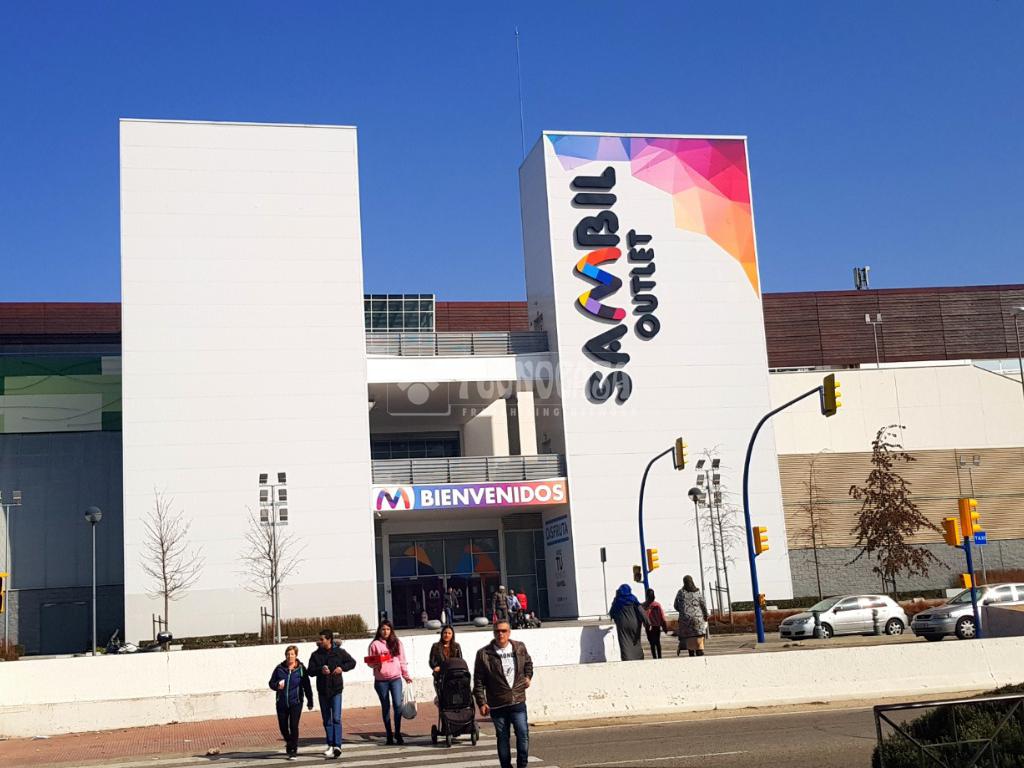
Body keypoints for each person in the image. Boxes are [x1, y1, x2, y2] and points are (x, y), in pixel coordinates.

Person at [473, 619, 534, 768]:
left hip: (517, 700)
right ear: (493, 633)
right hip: (497, 702)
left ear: (509, 632)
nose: (500, 634)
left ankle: (522, 765)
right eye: (497, 631)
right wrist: (481, 702)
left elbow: (528, 663)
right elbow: (478, 680)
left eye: (504, 631)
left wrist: (528, 676)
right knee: (502, 737)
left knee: (523, 734)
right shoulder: (483, 654)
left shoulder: (519, 647)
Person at [308, 629, 357, 759]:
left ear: (329, 640)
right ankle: (330, 744)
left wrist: (342, 668)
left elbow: (352, 662)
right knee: (326, 719)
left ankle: (337, 746)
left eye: (322, 639)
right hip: (323, 691)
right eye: (319, 639)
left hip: (336, 690)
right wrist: (321, 669)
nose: (319, 641)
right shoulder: (315, 655)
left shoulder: (339, 652)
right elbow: (310, 671)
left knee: (336, 718)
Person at [367, 619, 412, 745]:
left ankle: (397, 732)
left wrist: (405, 675)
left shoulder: (397, 642)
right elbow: (370, 662)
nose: (385, 632)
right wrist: (376, 663)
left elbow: (402, 660)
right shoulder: (374, 644)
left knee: (397, 705)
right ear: (379, 631)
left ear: (391, 630)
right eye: (383, 629)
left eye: (388, 629)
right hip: (381, 681)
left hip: (395, 678)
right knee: (385, 707)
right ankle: (389, 734)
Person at [269, 645, 314, 760]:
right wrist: (277, 685)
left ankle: (293, 749)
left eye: (292, 654)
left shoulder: (301, 669)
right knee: (283, 727)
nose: (290, 656)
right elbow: (271, 683)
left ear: (296, 655)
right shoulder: (279, 668)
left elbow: (307, 686)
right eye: (288, 654)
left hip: (296, 702)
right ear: (285, 656)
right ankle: (289, 742)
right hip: (281, 702)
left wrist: (310, 700)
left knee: (293, 726)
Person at [609, 583, 650, 661]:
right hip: (634, 624)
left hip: (622, 625)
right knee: (636, 642)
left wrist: (616, 619)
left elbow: (612, 612)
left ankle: (627, 659)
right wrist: (647, 622)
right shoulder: (633, 599)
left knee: (624, 642)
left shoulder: (617, 600)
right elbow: (641, 611)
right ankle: (639, 658)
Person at [674, 575, 709, 657]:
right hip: (698, 620)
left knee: (689, 639)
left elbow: (675, 605)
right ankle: (700, 651)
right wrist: (706, 616)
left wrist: (683, 611)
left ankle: (691, 653)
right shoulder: (697, 592)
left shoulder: (681, 592)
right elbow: (703, 605)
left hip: (685, 620)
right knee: (699, 638)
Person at [642, 588, 668, 659]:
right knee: (657, 642)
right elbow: (662, 617)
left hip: (648, 627)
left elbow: (641, 617)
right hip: (656, 627)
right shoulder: (657, 605)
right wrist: (665, 627)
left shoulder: (643, 606)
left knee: (652, 643)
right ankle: (659, 657)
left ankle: (654, 657)